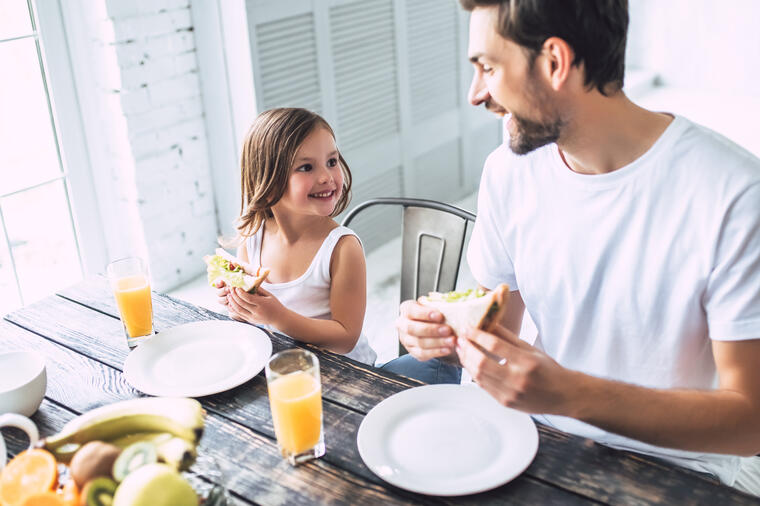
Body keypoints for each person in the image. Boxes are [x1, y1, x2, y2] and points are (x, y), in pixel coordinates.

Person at [388, 0, 760, 495]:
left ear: (555, 62)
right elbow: (498, 329)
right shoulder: (507, 172)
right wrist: (447, 337)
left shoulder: (735, 195)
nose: (476, 94)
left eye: (488, 67)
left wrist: (571, 395)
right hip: (535, 437)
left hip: (682, 469)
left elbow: (748, 422)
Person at [214, 108, 376, 365]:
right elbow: (252, 320)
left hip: (348, 375)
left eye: (331, 162)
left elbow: (346, 337)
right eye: (306, 167)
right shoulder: (253, 238)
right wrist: (238, 304)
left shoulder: (343, 248)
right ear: (267, 184)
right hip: (287, 367)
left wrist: (279, 316)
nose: (326, 176)